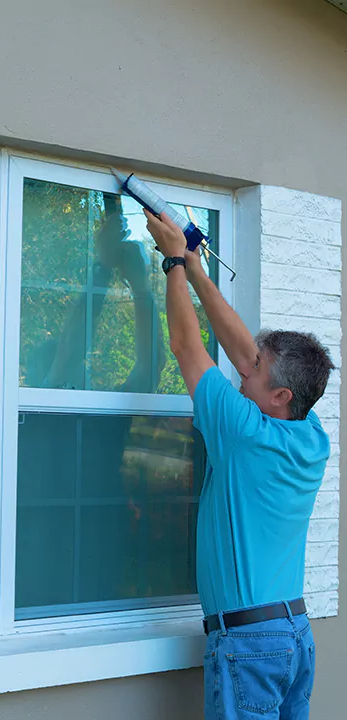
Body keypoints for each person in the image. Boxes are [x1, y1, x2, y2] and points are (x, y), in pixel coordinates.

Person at [144, 209, 334, 720]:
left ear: (280, 395)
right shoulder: (311, 435)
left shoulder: (242, 432)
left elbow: (187, 346)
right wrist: (196, 267)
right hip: (293, 635)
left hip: (250, 643)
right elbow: (244, 349)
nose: (243, 372)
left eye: (254, 372)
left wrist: (171, 265)